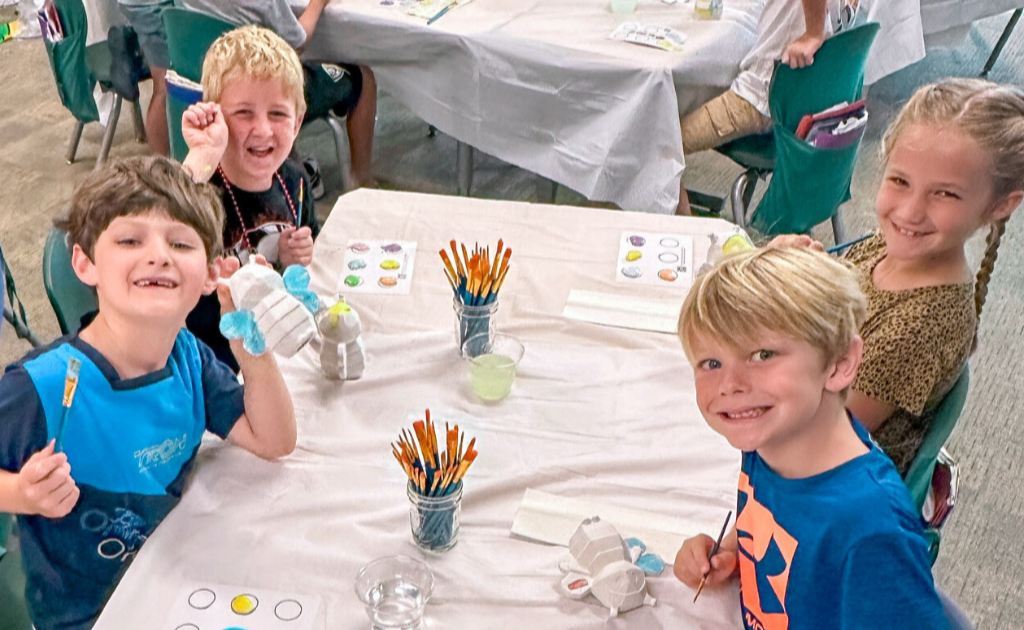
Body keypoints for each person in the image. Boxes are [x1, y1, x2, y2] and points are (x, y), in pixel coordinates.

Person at [0, 156, 296, 630]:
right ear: (84, 261)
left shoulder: (190, 359)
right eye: (129, 240)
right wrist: (20, 492)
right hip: (87, 617)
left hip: (175, 584)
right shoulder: (43, 387)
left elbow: (274, 440)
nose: (158, 255)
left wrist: (250, 344)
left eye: (180, 243)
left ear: (209, 275)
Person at [672, 247, 948, 629]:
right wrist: (731, 552)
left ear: (839, 363)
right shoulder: (768, 437)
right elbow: (768, 519)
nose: (730, 386)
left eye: (762, 354)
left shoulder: (870, 530)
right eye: (711, 363)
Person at [771, 78, 1024, 474]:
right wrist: (792, 273)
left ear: (1000, 205)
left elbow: (819, 437)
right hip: (799, 395)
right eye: (900, 181)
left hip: (816, 479)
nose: (909, 212)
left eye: (946, 194)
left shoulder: (924, 326)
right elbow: (828, 311)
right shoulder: (887, 249)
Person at [180, 25, 320, 371]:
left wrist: (292, 259)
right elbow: (160, 219)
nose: (262, 130)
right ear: (214, 115)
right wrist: (200, 156)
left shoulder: (296, 179)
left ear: (298, 122)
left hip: (281, 348)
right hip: (215, 360)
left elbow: (294, 272)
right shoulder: (198, 189)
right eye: (244, 113)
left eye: (278, 114)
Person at [174, 0, 378, 189]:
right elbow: (296, 44)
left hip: (201, 78)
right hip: (256, 81)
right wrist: (317, 4)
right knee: (364, 77)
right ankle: (361, 179)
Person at [677, 0, 834, 215]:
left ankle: (685, 231)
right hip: (804, 99)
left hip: (763, 98)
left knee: (659, 146)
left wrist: (813, 33)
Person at [115, 0, 171, 155]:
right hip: (151, 7)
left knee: (165, 87)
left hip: (146, 7)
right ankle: (160, 169)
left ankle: (160, 167)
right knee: (165, 87)